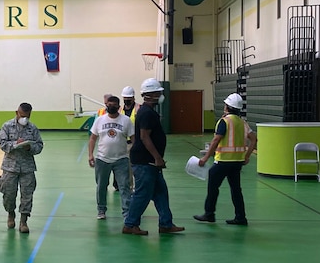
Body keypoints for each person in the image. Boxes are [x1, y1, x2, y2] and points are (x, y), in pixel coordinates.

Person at [122, 78, 184, 236]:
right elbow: (144, 137)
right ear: (152, 94)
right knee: (143, 194)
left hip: (149, 162)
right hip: (145, 162)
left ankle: (166, 224)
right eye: (159, 92)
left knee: (161, 192)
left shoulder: (147, 112)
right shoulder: (147, 113)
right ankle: (130, 224)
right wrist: (157, 158)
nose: (161, 95)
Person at [194, 93, 256, 225]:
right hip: (237, 162)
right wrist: (247, 156)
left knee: (213, 186)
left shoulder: (225, 121)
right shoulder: (242, 122)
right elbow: (254, 139)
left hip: (223, 161)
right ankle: (240, 217)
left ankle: (209, 214)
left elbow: (216, 139)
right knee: (236, 189)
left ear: (227, 106)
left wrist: (205, 157)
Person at [0, 102, 44, 234]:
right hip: (10, 166)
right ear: (16, 113)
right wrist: (14, 144)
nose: (24, 118)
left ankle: (23, 221)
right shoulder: (7, 126)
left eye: (27, 116)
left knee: (27, 195)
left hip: (27, 167)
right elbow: (1, 144)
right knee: (8, 194)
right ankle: (10, 214)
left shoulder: (32, 128)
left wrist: (30, 147)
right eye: (22, 115)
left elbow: (39, 146)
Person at [88, 94, 133, 220]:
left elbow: (134, 139)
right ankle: (101, 210)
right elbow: (92, 138)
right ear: (106, 106)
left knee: (124, 186)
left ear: (119, 107)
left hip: (121, 159)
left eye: (114, 105)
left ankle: (127, 212)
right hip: (102, 159)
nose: (111, 107)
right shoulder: (100, 120)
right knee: (101, 186)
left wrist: (133, 155)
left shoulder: (126, 121)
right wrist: (91, 155)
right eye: (109, 105)